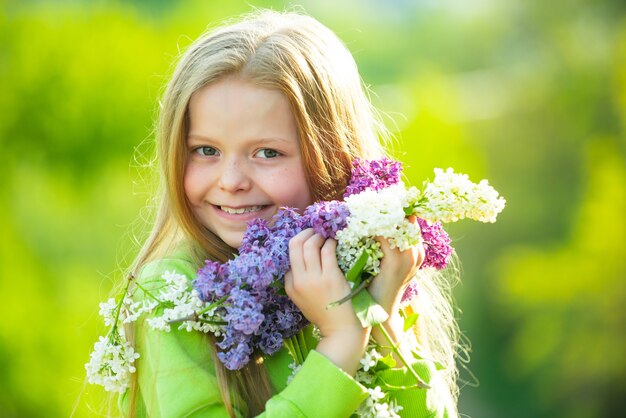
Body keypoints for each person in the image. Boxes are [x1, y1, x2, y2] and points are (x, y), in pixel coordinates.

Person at [119, 9, 460, 417]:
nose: (231, 181)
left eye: (267, 153)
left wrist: (381, 317)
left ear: (333, 159)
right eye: (206, 150)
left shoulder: (361, 267)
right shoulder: (174, 291)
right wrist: (340, 344)